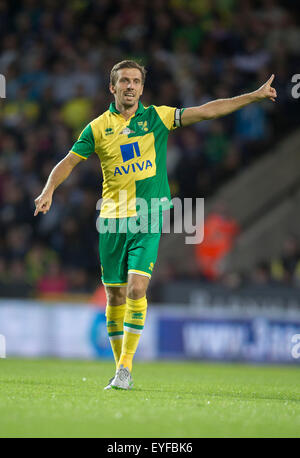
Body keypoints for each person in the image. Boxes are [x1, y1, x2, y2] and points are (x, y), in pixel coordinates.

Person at [34, 60, 277, 390]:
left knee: (136, 288)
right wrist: (49, 189)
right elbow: (69, 162)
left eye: (136, 81)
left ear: (142, 88)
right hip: (112, 222)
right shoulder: (97, 128)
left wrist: (253, 96)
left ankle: (125, 369)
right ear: (113, 87)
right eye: (124, 81)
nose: (130, 86)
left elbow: (206, 111)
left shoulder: (157, 117)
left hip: (148, 216)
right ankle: (120, 368)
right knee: (115, 295)